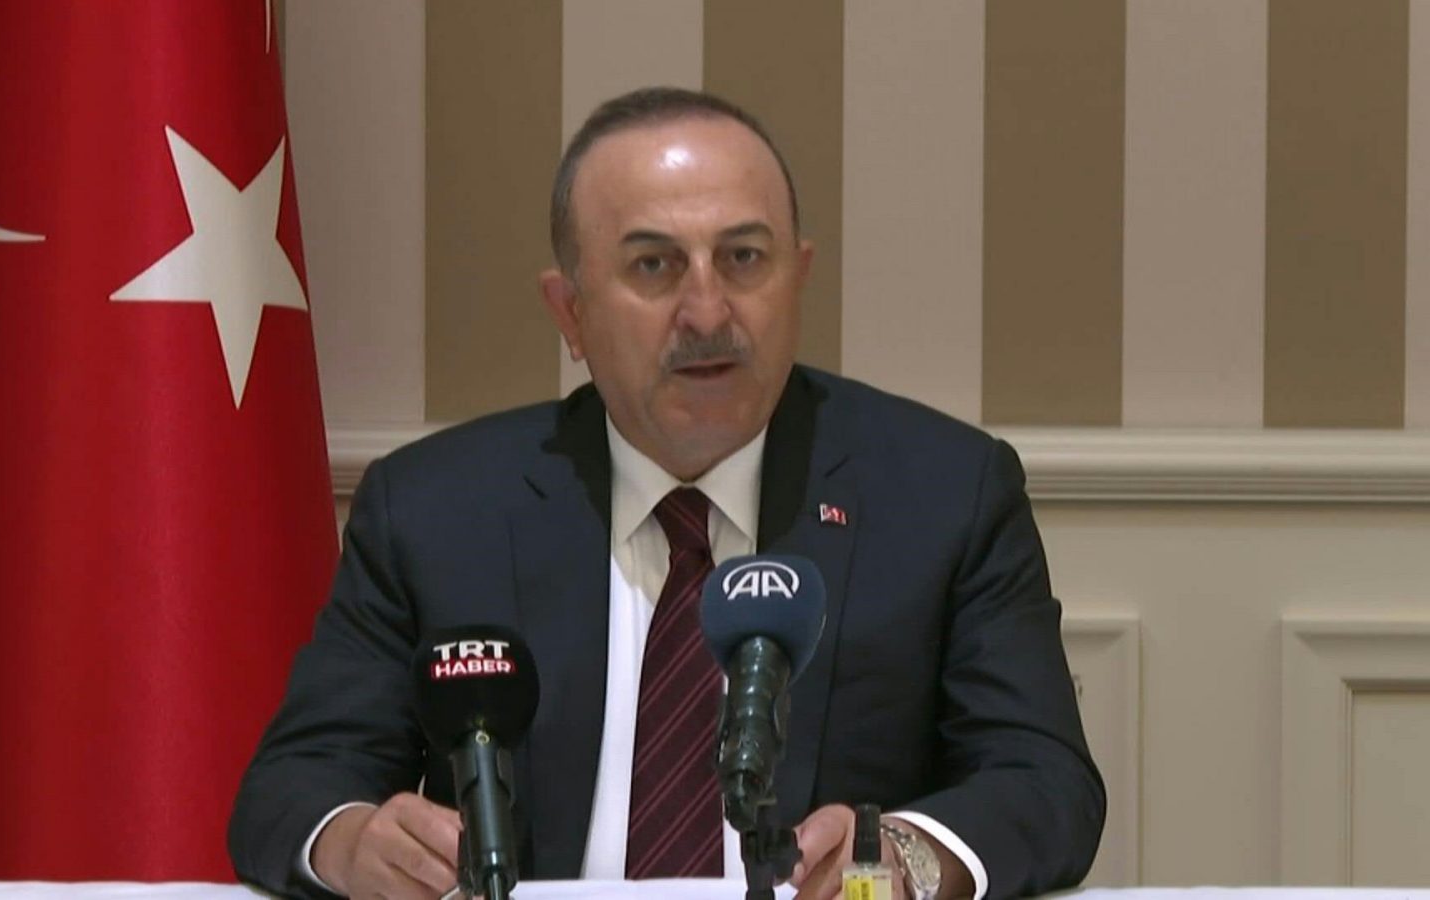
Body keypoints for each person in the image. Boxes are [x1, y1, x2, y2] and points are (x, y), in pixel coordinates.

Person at [229, 86, 1104, 900]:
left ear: (798, 277)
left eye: (744, 258)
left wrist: (906, 855)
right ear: (570, 311)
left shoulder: (944, 492)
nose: (708, 311)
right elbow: (293, 786)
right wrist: (355, 842)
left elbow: (1045, 780)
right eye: (654, 266)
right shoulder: (436, 509)